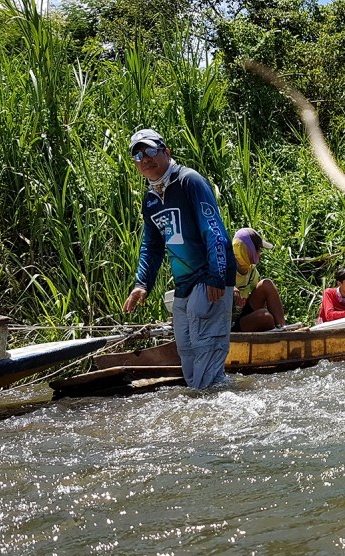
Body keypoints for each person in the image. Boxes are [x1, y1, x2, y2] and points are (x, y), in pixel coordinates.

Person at [122, 128, 236, 388]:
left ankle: (220, 415)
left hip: (208, 279)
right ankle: (206, 411)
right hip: (183, 286)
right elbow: (151, 245)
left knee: (207, 352)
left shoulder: (189, 181)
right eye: (138, 156)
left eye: (150, 151)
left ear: (166, 152)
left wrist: (217, 276)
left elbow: (214, 231)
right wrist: (142, 284)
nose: (145, 159)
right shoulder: (151, 199)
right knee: (188, 356)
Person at [232, 227, 289, 332]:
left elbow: (259, 304)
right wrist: (230, 289)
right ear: (247, 249)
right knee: (265, 317)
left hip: (242, 316)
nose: (260, 253)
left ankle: (283, 328)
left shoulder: (252, 271)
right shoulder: (225, 267)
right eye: (258, 249)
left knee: (267, 284)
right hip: (226, 324)